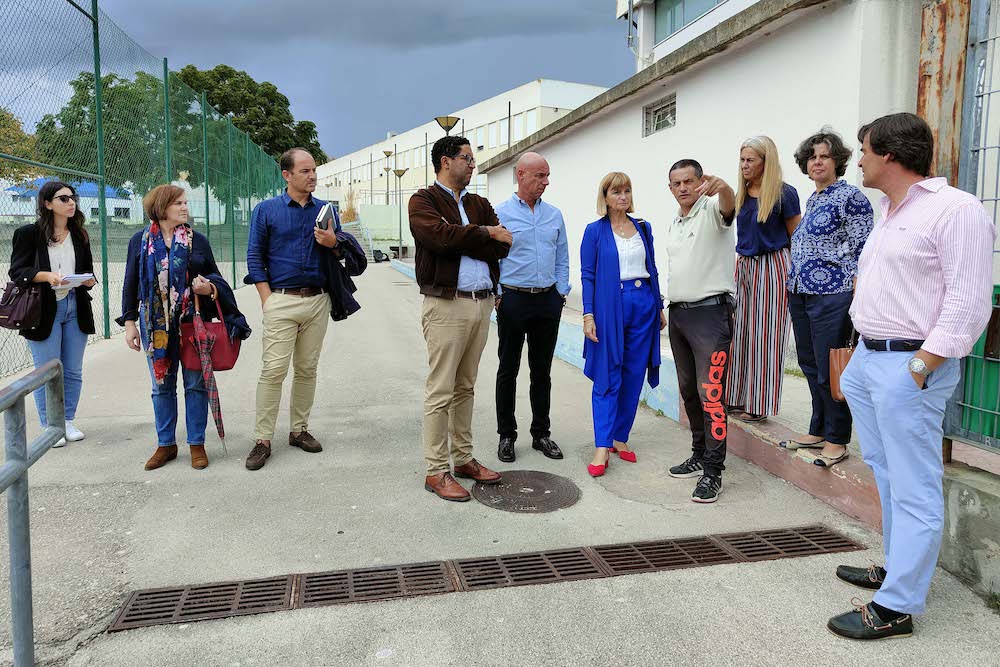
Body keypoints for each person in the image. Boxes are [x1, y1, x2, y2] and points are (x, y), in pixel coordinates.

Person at [828, 113, 996, 640]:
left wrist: (921, 367)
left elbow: (968, 304)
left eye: (864, 151)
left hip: (911, 365)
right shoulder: (891, 211)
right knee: (886, 472)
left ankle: (898, 605)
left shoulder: (956, 211)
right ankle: (897, 568)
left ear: (891, 156)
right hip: (870, 360)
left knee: (916, 485)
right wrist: (858, 357)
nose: (857, 160)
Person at [409, 135, 511, 502]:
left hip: (482, 304)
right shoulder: (423, 200)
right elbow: (438, 238)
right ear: (445, 161)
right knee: (441, 389)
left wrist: (471, 237)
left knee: (466, 387)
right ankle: (436, 470)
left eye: (472, 158)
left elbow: (503, 245)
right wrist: (482, 233)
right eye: (466, 158)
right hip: (446, 305)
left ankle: (463, 457)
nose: (472, 164)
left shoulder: (478, 202)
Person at [119, 184, 248, 471]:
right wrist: (130, 324)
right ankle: (166, 444)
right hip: (154, 325)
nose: (184, 207)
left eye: (185, 202)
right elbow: (130, 285)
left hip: (192, 321)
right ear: (161, 207)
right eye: (178, 203)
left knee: (196, 383)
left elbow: (215, 274)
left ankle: (196, 444)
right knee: (161, 386)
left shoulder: (196, 240)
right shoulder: (139, 241)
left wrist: (210, 286)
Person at [244, 148, 358, 471]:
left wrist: (332, 243)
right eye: (305, 171)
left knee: (307, 368)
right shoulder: (266, 210)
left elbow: (339, 255)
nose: (313, 176)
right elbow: (255, 258)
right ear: (287, 175)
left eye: (314, 171)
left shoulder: (325, 211)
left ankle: (299, 430)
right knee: (273, 370)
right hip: (281, 300)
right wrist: (268, 299)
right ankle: (263, 439)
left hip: (318, 300)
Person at [783, 128, 874, 466]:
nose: (817, 162)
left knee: (832, 367)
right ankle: (818, 427)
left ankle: (838, 438)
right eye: (812, 157)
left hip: (833, 295)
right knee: (809, 363)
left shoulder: (850, 197)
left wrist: (855, 290)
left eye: (824, 156)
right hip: (801, 292)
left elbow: (864, 249)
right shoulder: (813, 199)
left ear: (838, 161)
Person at [581, 172, 666, 477]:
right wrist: (588, 314)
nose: (623, 196)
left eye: (627, 190)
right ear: (605, 197)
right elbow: (587, 275)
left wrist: (658, 305)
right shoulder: (594, 231)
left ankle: (620, 437)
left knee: (633, 374)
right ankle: (602, 446)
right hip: (609, 307)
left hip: (643, 303)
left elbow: (651, 267)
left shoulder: (643, 227)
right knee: (607, 376)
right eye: (616, 191)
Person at [662, 160, 736, 503]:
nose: (682, 188)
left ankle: (713, 472)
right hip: (679, 315)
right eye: (676, 183)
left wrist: (723, 188)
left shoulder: (711, 210)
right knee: (689, 391)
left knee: (711, 394)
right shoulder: (676, 221)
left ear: (700, 181)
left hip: (710, 314)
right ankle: (698, 453)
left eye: (688, 181)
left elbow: (729, 205)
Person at [494, 152, 569, 463]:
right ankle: (506, 436)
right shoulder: (499, 213)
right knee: (507, 370)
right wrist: (499, 295)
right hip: (513, 300)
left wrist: (561, 292)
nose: (546, 182)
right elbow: (491, 258)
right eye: (540, 175)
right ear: (520, 174)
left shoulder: (555, 215)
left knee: (542, 372)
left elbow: (563, 257)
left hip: (547, 301)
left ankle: (541, 434)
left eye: (547, 175)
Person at [9, 181, 97, 446]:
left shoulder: (80, 234)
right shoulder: (29, 234)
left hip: (75, 304)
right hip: (44, 309)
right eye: (63, 198)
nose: (71, 202)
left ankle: (67, 421)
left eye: (73, 198)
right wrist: (47, 276)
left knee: (72, 370)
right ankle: (51, 425)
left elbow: (89, 270)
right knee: (48, 371)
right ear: (47, 204)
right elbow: (17, 272)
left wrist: (88, 280)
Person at [726, 136, 801, 422]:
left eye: (750, 160)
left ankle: (759, 404)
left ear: (765, 162)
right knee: (740, 332)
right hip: (744, 267)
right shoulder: (742, 192)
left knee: (767, 337)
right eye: (742, 159)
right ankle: (735, 396)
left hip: (774, 266)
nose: (744, 165)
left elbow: (797, 237)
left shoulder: (784, 193)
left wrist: (796, 277)